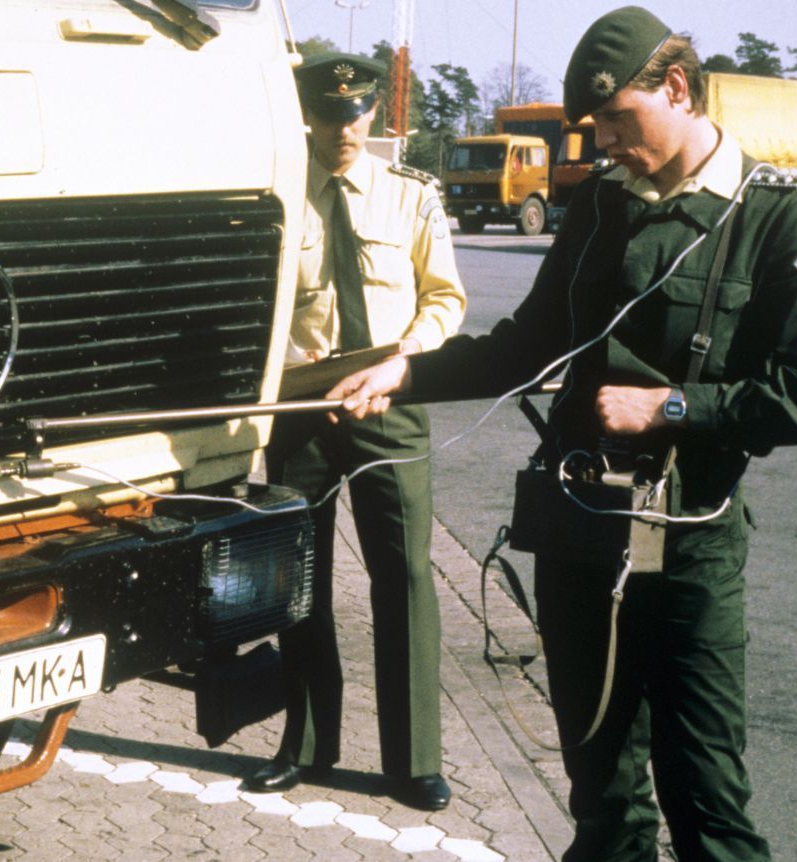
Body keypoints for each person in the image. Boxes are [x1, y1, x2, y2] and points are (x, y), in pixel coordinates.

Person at [326, 7, 797, 860]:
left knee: (708, 804)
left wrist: (672, 406)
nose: (602, 141)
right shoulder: (602, 207)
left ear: (676, 88)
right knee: (602, 800)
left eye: (616, 118)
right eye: (593, 125)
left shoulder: (776, 217)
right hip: (578, 537)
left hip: (690, 550)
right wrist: (405, 371)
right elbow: (529, 346)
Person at [243, 52, 467, 811]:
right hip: (301, 408)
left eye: (356, 113)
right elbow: (253, 305)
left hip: (388, 407)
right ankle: (307, 744)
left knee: (402, 575)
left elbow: (445, 301)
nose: (344, 128)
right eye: (330, 114)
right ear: (306, 112)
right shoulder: (276, 199)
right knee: (297, 579)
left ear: (375, 113)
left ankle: (413, 762)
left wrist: (402, 362)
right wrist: (279, 353)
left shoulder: (410, 199)